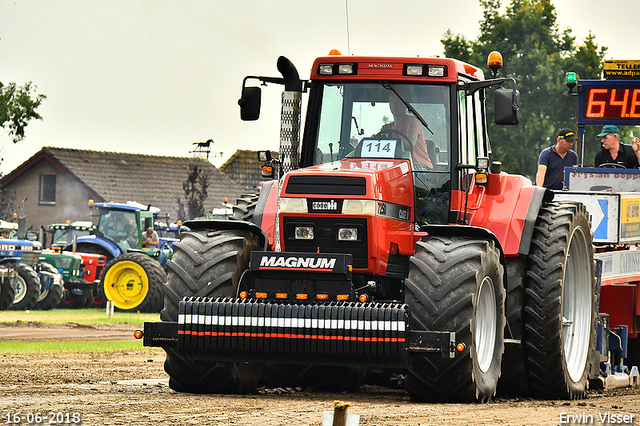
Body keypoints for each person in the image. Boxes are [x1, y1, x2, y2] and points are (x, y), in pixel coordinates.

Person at [380, 95, 433, 169]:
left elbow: (410, 143)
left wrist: (387, 139)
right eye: (391, 102)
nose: (394, 105)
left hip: (419, 168)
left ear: (404, 105)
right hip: (397, 167)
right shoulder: (386, 128)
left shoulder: (412, 121)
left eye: (397, 102)